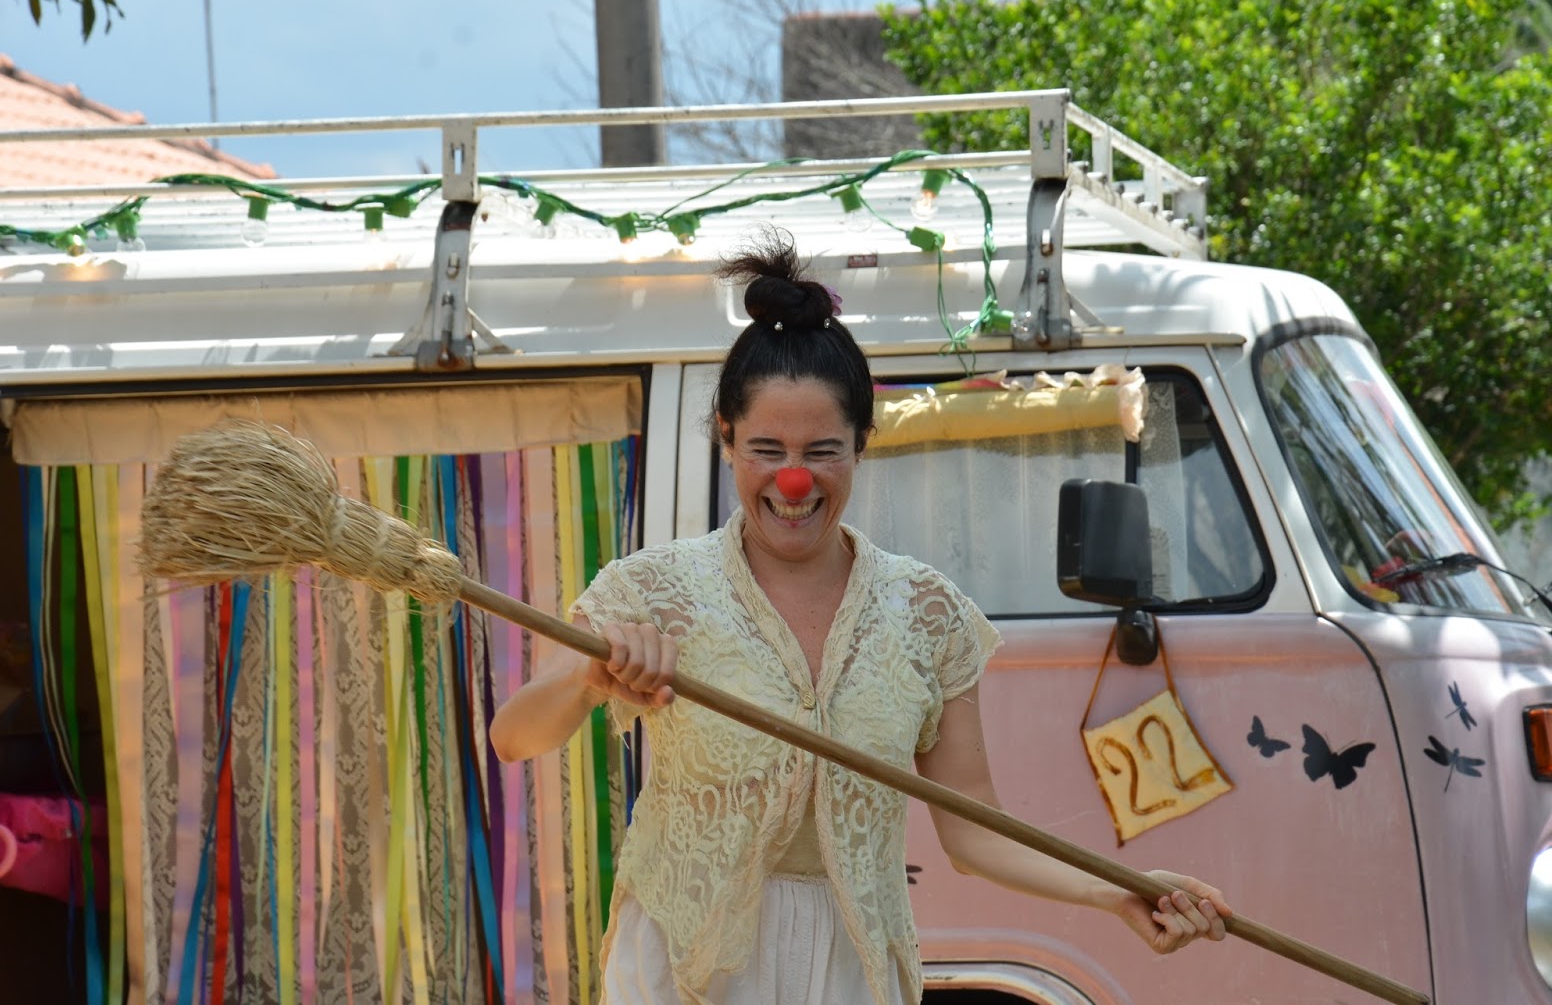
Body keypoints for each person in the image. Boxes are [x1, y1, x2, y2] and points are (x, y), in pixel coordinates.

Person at [488, 228, 1230, 1005]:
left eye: (823, 451)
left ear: (863, 444)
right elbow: (514, 736)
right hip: (686, 969)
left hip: (852, 970)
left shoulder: (927, 614)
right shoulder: (652, 589)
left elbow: (976, 832)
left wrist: (1117, 889)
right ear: (725, 438)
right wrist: (589, 671)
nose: (795, 481)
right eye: (766, 449)